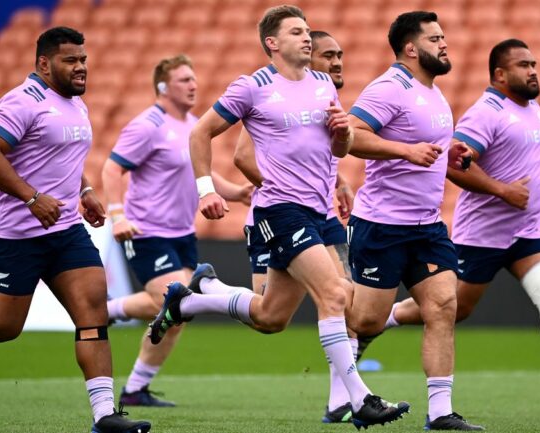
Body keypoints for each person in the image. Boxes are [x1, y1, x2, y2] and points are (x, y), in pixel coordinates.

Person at [149, 6, 410, 430]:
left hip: (319, 210)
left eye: (307, 31)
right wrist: (206, 189)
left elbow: (338, 149)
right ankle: (358, 399)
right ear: (272, 43)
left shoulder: (322, 84)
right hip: (281, 211)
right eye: (296, 32)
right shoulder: (252, 87)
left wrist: (343, 134)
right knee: (335, 294)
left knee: (271, 318)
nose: (307, 37)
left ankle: (193, 298)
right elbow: (200, 133)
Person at [0, 27, 151, 433]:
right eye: (70, 60)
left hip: (65, 230)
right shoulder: (22, 101)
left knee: (92, 313)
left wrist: (85, 190)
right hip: (16, 235)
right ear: (44, 64)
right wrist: (32, 197)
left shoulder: (75, 103)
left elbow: (63, 155)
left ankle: (105, 415)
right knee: (1, 328)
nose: (81, 67)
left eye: (83, 60)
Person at [385, 38, 540, 419]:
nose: (533, 71)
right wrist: (503, 190)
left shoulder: (532, 108)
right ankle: (382, 320)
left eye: (534, 64)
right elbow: (455, 165)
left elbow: (520, 161)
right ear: (500, 74)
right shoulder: (486, 113)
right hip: (481, 235)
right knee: (453, 309)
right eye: (524, 65)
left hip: (531, 231)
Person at [345, 11, 483, 430]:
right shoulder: (390, 87)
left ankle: (440, 412)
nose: (444, 44)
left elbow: (426, 146)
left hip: (427, 226)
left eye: (443, 37)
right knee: (366, 320)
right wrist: (406, 151)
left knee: (443, 306)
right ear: (410, 47)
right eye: (434, 39)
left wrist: (449, 154)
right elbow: (351, 135)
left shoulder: (433, 93)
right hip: (382, 225)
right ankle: (339, 350)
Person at [102, 54, 251, 407]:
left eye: (194, 78)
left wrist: (237, 192)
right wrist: (117, 215)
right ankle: (105, 311)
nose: (193, 85)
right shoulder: (147, 125)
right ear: (163, 87)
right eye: (184, 80)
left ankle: (135, 389)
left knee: (176, 314)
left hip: (182, 233)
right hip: (146, 231)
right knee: (170, 300)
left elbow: (201, 171)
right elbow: (111, 169)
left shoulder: (193, 124)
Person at [231, 29, 356, 424]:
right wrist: (280, 186)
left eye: (340, 55)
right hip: (276, 216)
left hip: (319, 213)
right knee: (270, 318)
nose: (337, 63)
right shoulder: (273, 99)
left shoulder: (323, 96)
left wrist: (338, 181)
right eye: (328, 55)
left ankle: (340, 401)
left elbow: (316, 151)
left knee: (343, 297)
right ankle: (202, 295)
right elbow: (243, 156)